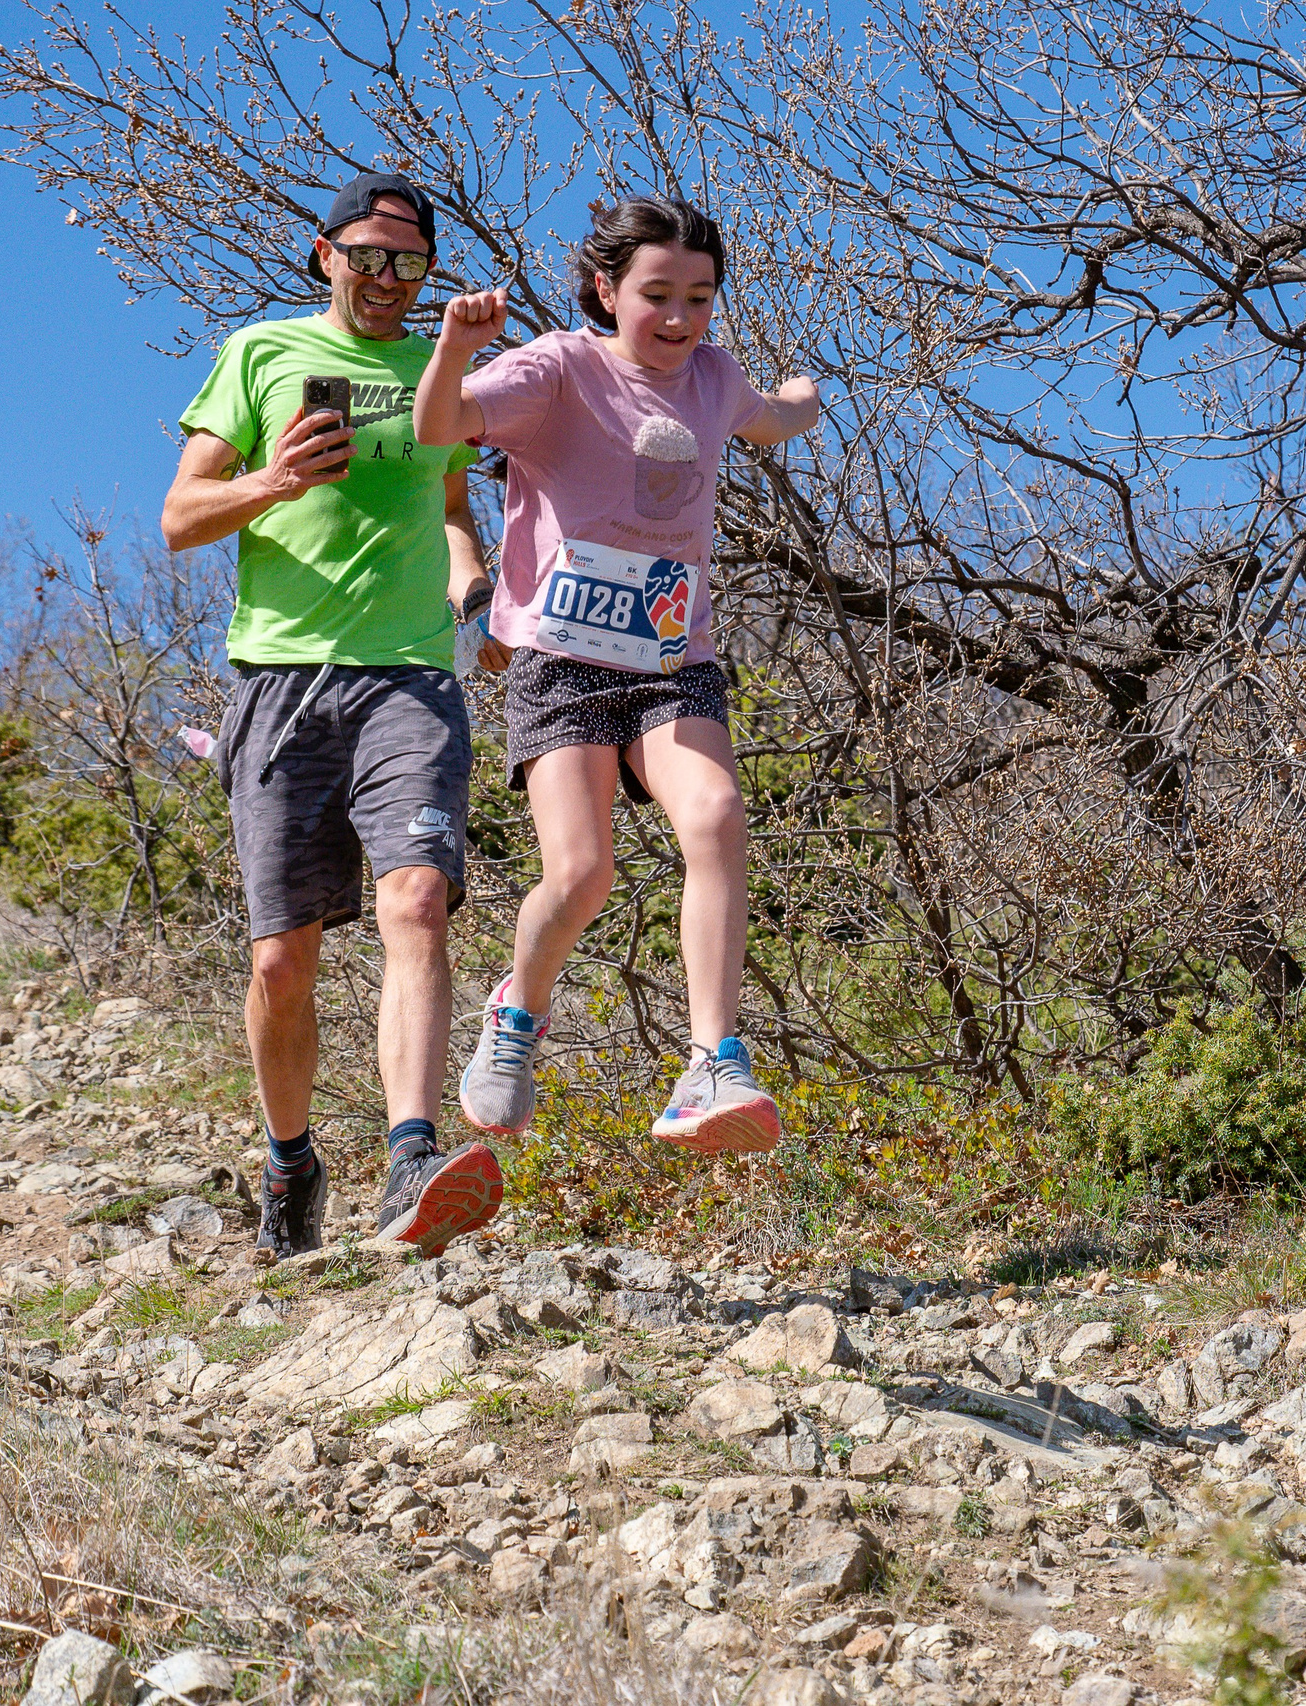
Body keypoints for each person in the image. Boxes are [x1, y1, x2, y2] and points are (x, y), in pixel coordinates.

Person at [412, 196, 822, 1154]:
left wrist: (807, 397)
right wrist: (453, 349)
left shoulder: (713, 378)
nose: (679, 318)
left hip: (673, 660)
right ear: (606, 289)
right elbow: (440, 429)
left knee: (716, 815)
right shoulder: (557, 368)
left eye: (699, 298)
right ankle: (518, 1012)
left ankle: (711, 1061)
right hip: (562, 662)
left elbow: (768, 419)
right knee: (582, 871)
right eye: (657, 295)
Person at [163, 171, 513, 1265]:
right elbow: (179, 516)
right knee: (282, 961)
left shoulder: (441, 371)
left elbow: (451, 507)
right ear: (326, 255)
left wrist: (477, 589)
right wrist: (272, 482)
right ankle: (291, 1161)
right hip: (281, 683)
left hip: (409, 678)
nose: (387, 277)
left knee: (418, 899)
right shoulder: (261, 354)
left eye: (408, 261)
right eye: (367, 256)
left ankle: (412, 1156)